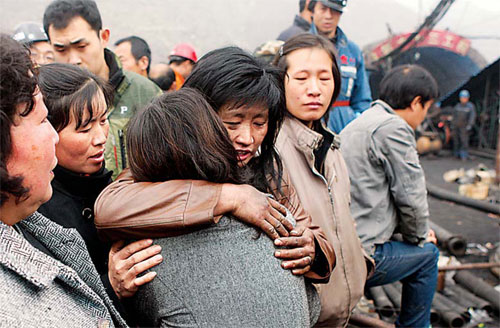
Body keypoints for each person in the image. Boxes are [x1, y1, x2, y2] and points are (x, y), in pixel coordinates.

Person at [122, 88, 321, 327]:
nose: (246, 138)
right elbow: (312, 306)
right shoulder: (274, 216)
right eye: (232, 123)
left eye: (259, 123)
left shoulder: (145, 255)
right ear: (212, 139)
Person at [0, 33, 126, 327]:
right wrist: (111, 285)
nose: (101, 138)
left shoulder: (27, 216)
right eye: (43, 121)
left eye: (104, 120)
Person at [272, 33, 372, 327]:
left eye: (324, 79)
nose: (314, 90)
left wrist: (361, 265)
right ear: (281, 82)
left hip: (340, 309)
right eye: (301, 78)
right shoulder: (269, 151)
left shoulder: (330, 145)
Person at [340, 64, 440, 327]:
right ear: (417, 102)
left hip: (340, 242)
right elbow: (411, 196)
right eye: (427, 107)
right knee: (427, 256)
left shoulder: (359, 122)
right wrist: (419, 235)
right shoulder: (394, 128)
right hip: (361, 255)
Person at [43, 0, 162, 179]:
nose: (73, 59)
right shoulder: (40, 102)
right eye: (61, 49)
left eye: (81, 47)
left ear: (103, 37)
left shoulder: (146, 93)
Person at [308, 0, 372, 133]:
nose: (328, 16)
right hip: (310, 126)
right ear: (313, 10)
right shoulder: (299, 48)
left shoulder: (352, 51)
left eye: (334, 11)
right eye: (323, 9)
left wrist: (357, 125)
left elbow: (362, 99)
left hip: (346, 130)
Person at [452, 89, 476, 160]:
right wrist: (452, 124)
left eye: (465, 98)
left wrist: (470, 125)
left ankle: (464, 155)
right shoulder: (457, 106)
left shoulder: (470, 107)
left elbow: (472, 116)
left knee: (464, 141)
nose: (463, 99)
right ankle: (456, 154)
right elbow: (454, 116)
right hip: (456, 126)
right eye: (462, 98)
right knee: (456, 140)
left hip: (464, 127)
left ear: (468, 98)